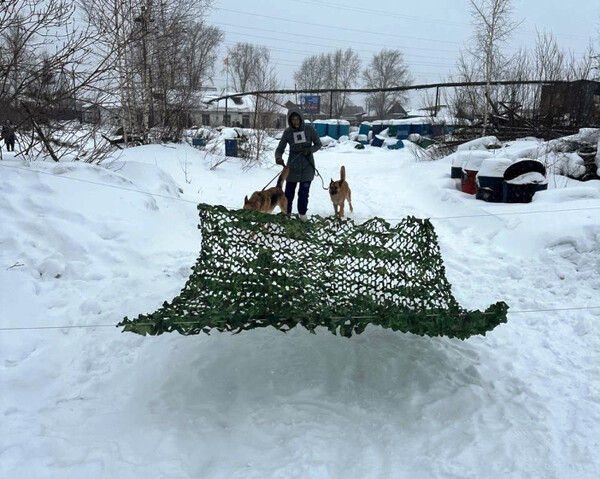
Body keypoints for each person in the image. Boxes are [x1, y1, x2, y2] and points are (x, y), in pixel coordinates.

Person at [275, 109, 322, 220]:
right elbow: (280, 148)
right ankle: (287, 215)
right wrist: (278, 158)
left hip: (307, 166)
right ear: (290, 121)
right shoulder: (288, 132)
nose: (295, 121)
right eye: (293, 119)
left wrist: (309, 150)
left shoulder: (309, 129)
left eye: (297, 119)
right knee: (288, 194)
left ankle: (302, 215)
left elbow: (318, 144)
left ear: (301, 119)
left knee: (303, 194)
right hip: (292, 167)